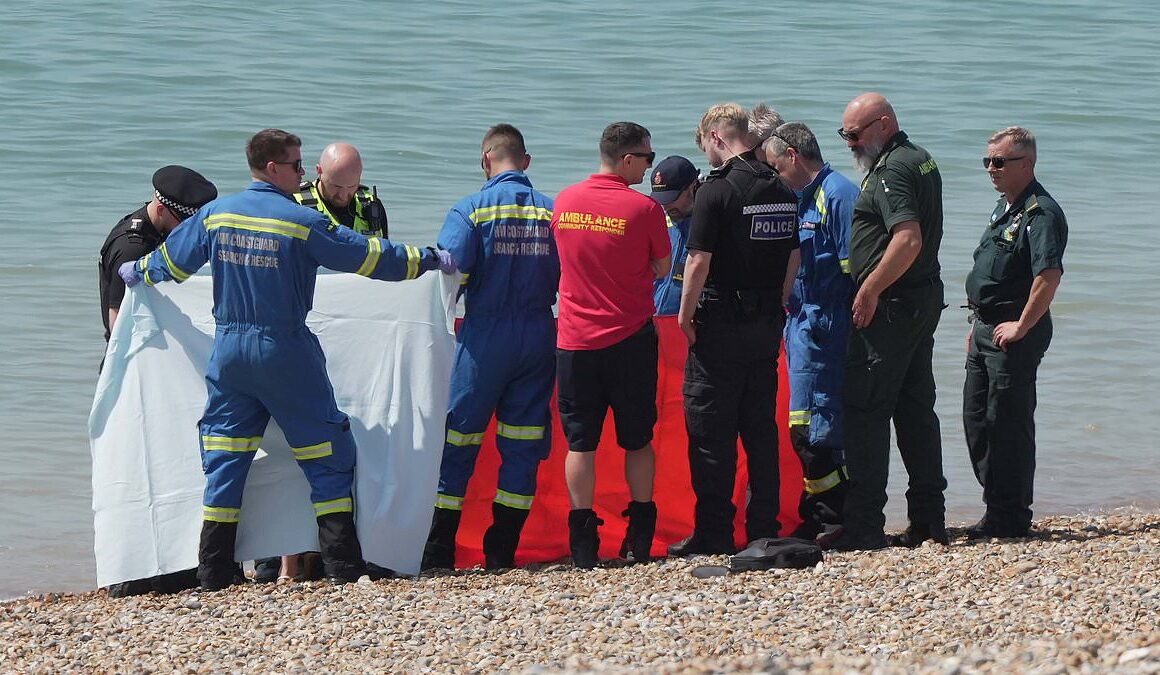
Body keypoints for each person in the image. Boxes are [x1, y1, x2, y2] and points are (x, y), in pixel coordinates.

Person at [118, 128, 454, 590]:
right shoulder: (301, 221)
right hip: (285, 351)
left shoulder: (216, 215)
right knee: (327, 453)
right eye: (297, 165)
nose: (303, 172)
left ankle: (213, 571)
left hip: (230, 354)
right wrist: (427, 260)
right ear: (272, 168)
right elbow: (369, 257)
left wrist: (136, 272)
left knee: (224, 456)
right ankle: (341, 566)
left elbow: (172, 264)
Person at [421, 124, 558, 570]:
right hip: (540, 334)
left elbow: (447, 276)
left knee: (458, 439)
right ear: (526, 162)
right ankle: (501, 552)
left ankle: (439, 548)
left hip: (484, 338)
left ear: (485, 160)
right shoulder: (552, 213)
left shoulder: (471, 211)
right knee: (522, 443)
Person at [669, 103, 800, 556]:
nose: (705, 153)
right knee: (759, 430)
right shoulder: (781, 189)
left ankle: (714, 533)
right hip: (765, 326)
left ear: (717, 137)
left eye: (704, 143)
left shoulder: (716, 192)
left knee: (711, 432)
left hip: (720, 327)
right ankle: (763, 528)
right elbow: (793, 257)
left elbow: (698, 260)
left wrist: (685, 316)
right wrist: (778, 301)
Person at [551, 121, 670, 568]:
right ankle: (640, 536)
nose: (649, 165)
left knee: (580, 443)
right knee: (637, 439)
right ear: (627, 159)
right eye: (647, 157)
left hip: (575, 341)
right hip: (629, 339)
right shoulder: (643, 210)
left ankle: (583, 542)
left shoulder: (564, 203)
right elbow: (662, 267)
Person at [97, 165, 217, 598]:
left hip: (166, 373)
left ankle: (178, 565)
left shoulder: (165, 232)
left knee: (175, 465)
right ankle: (132, 573)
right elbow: (119, 323)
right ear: (165, 211)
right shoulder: (132, 246)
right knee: (138, 469)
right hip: (135, 375)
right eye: (188, 223)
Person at [837, 93, 948, 550]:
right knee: (915, 408)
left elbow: (907, 238)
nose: (849, 143)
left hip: (893, 306)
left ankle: (863, 526)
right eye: (844, 135)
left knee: (865, 410)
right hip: (918, 301)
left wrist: (869, 288)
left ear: (883, 125)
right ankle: (928, 520)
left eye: (855, 134)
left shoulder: (892, 170)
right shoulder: (920, 159)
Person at [963, 126, 1067, 539]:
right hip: (986, 327)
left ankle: (1010, 515)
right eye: (987, 160)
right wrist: (977, 325)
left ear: (1027, 164)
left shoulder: (1040, 212)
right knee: (976, 419)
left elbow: (1049, 274)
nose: (991, 168)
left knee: (1007, 422)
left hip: (1016, 331)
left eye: (1000, 161)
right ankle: (997, 504)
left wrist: (1023, 325)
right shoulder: (1005, 207)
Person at [761, 122, 859, 544]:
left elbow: (855, 269)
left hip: (827, 326)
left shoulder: (838, 195)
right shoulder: (800, 198)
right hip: (800, 324)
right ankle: (821, 512)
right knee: (803, 425)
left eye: (775, 167)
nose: (773, 176)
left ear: (793, 156)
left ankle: (835, 515)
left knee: (815, 426)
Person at [99, 166, 217, 343]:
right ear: (161, 210)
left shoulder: (156, 227)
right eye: (185, 223)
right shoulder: (133, 248)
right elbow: (116, 317)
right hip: (135, 356)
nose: (189, 230)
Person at [293, 142, 389, 236]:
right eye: (337, 186)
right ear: (319, 171)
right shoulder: (296, 203)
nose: (343, 196)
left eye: (351, 186)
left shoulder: (373, 206)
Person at [649, 155, 700, 316]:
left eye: (672, 198)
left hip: (690, 320)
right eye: (661, 200)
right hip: (656, 317)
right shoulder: (659, 221)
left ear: (692, 188)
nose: (666, 206)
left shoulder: (709, 225)